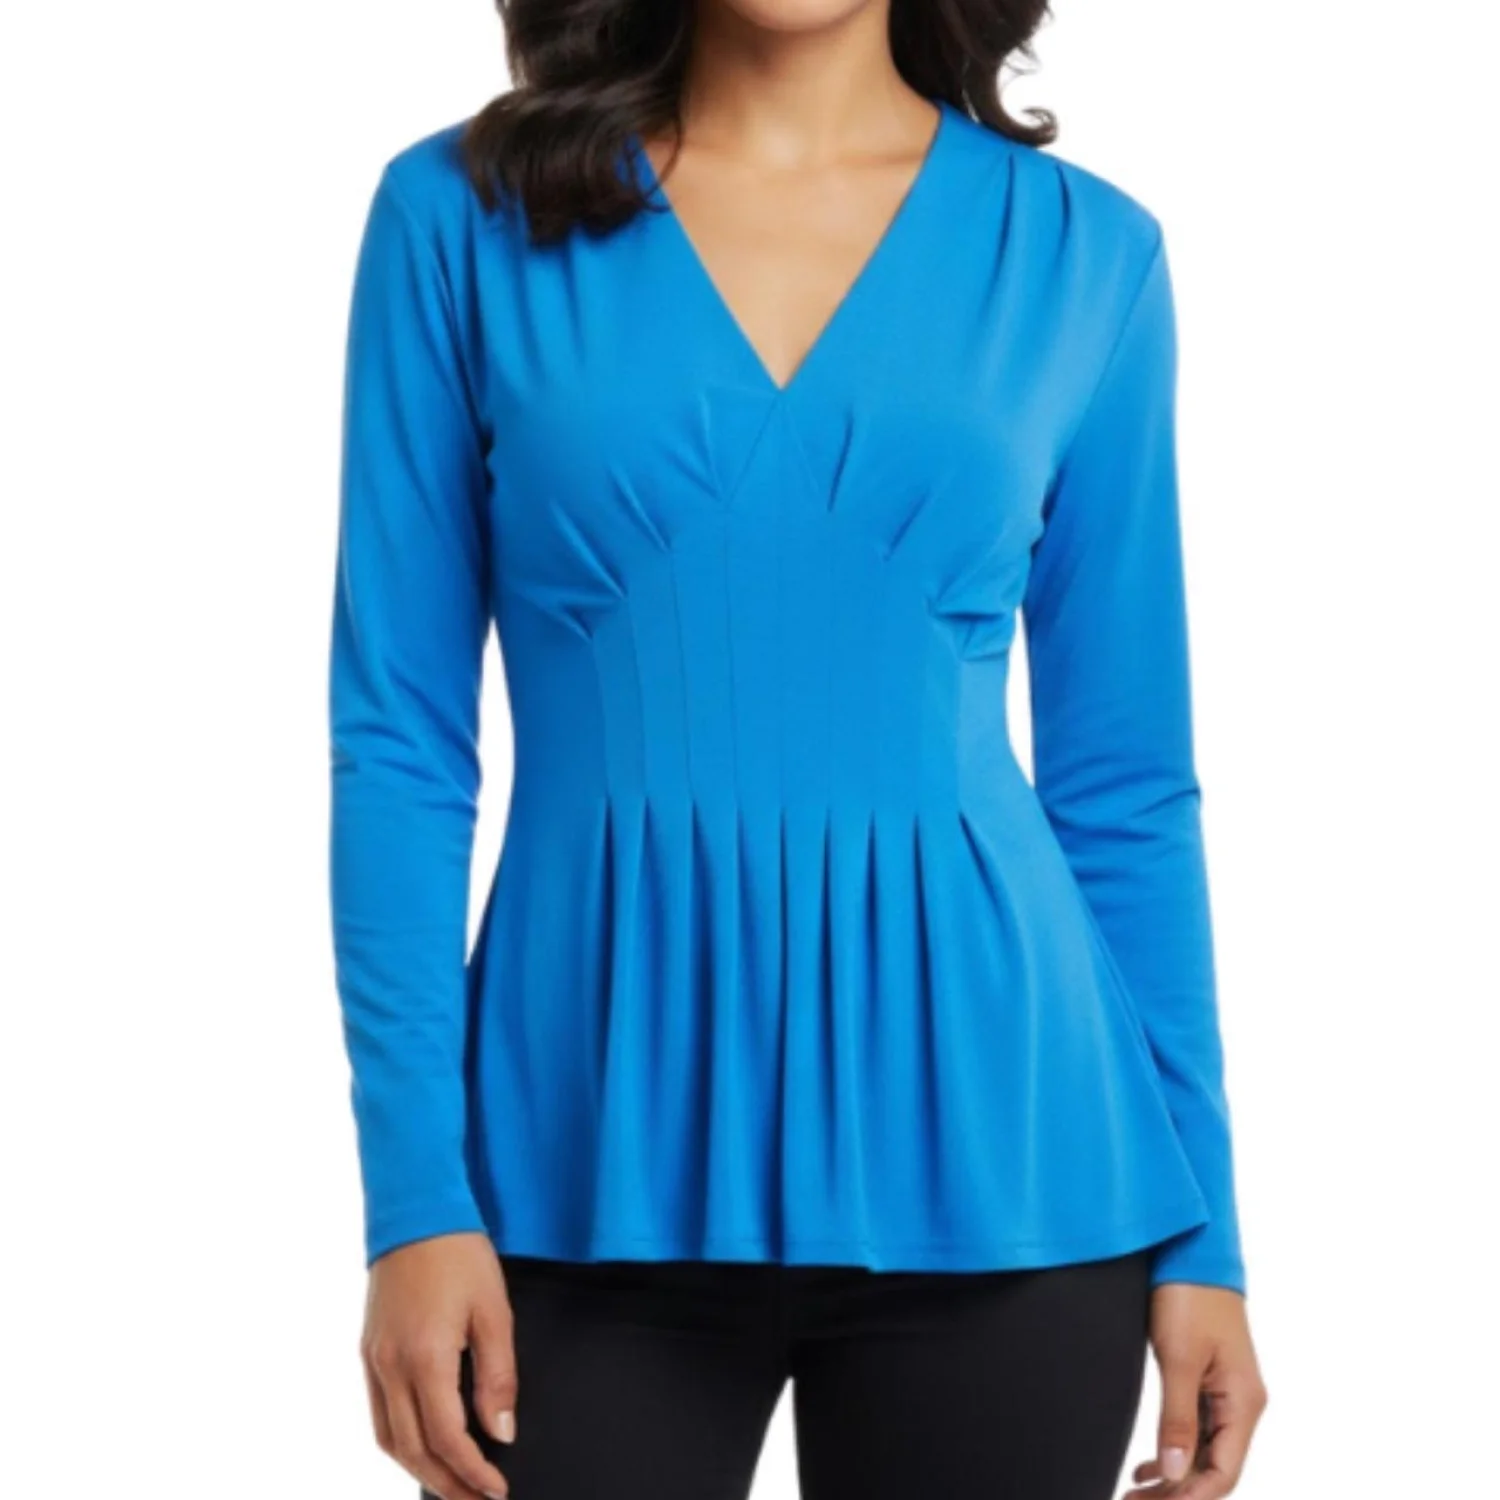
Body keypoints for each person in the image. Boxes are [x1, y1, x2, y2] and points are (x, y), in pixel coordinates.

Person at [326, 2, 1268, 1497]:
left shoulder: (1083, 255)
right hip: (573, 1159)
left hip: (1016, 1166)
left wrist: (1204, 1233)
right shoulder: (460, 219)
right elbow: (400, 747)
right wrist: (413, 1202)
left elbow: (1126, 787)